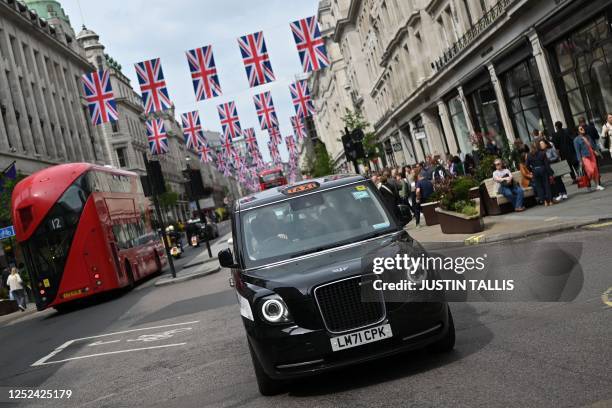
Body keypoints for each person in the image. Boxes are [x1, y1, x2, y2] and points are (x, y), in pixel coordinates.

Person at [574, 125, 605, 191]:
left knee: (595, 170)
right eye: (581, 129)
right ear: (578, 131)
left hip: (592, 155)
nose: (583, 129)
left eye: (583, 128)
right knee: (591, 170)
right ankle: (588, 182)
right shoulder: (576, 140)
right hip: (585, 156)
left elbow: (593, 145)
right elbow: (577, 151)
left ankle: (597, 185)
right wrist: (580, 161)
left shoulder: (587, 136)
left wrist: (598, 152)